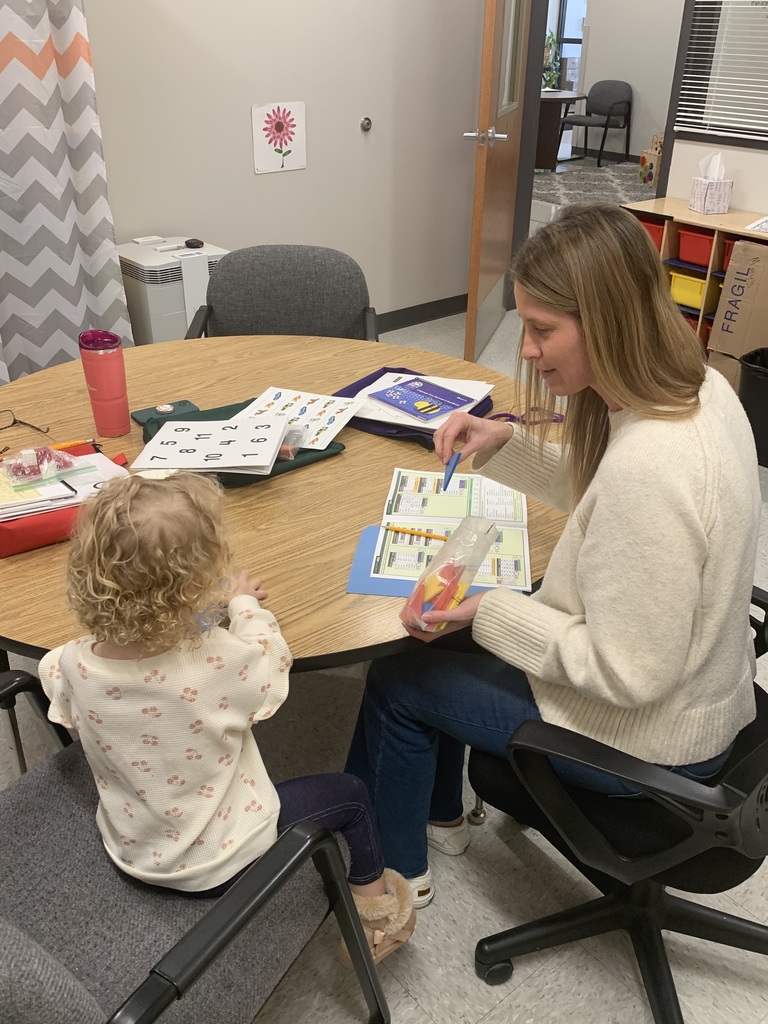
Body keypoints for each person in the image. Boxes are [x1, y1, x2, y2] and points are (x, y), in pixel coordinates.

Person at [345, 203, 761, 908]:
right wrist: (505, 443)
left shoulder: (653, 469)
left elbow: (626, 672)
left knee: (399, 679)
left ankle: (392, 880)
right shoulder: (702, 388)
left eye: (542, 330)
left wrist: (488, 613)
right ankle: (443, 817)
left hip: (651, 739)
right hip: (707, 690)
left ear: (608, 320)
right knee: (450, 649)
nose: (527, 351)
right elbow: (612, 491)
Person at [39, 472, 414, 964]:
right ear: (196, 584)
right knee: (351, 794)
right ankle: (374, 917)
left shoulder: (69, 661)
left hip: (133, 850)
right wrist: (242, 604)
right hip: (219, 864)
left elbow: (68, 692)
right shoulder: (216, 661)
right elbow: (272, 664)